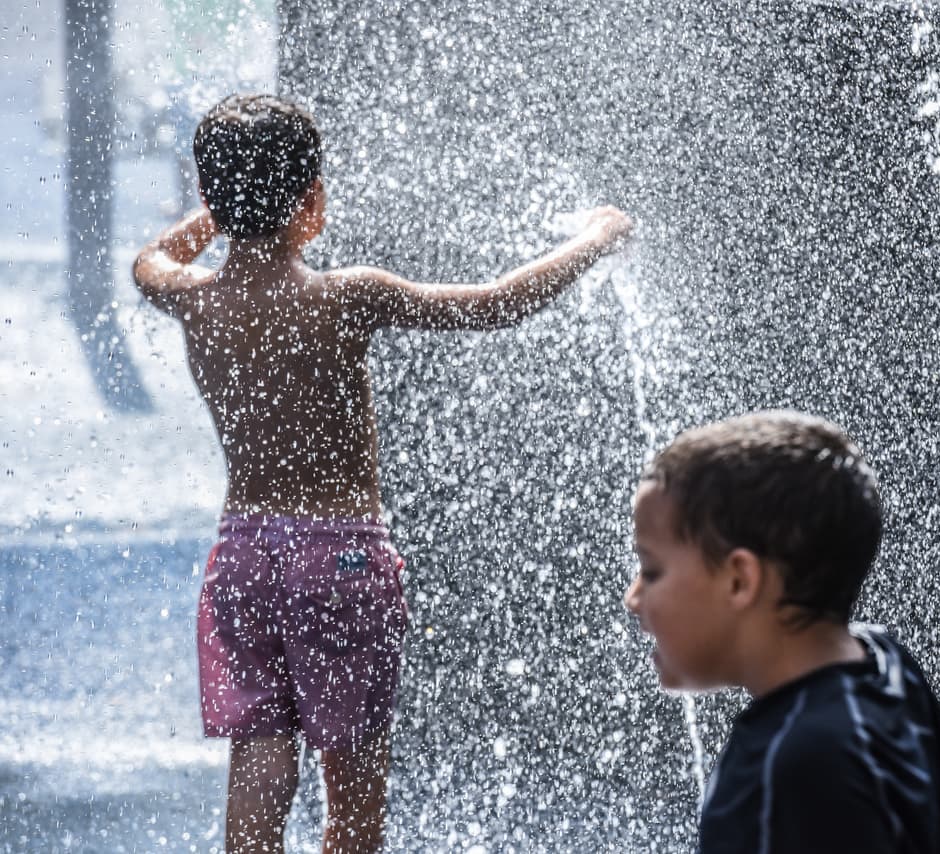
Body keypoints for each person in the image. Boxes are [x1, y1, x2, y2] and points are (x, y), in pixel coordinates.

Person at [132, 92, 632, 853]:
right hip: (339, 558)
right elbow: (494, 304)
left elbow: (148, 258)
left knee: (260, 758)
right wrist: (594, 240)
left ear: (209, 196)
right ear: (312, 203)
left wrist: (221, 215)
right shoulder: (346, 295)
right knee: (353, 789)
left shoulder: (192, 298)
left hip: (243, 558)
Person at [624, 411, 940, 853]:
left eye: (651, 571)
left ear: (739, 581)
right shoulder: (890, 666)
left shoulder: (787, 769)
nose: (633, 598)